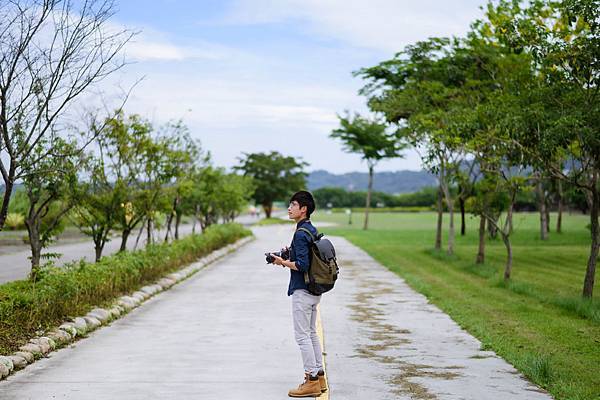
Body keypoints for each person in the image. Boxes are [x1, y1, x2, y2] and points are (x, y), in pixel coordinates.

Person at [270, 190, 327, 398]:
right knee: (311, 333)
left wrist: (281, 262)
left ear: (303, 209)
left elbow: (302, 265)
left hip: (302, 291)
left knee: (302, 336)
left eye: (293, 204)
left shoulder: (301, 233)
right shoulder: (310, 229)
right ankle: (319, 376)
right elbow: (306, 257)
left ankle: (310, 380)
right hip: (313, 291)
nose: (289, 208)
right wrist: (289, 252)